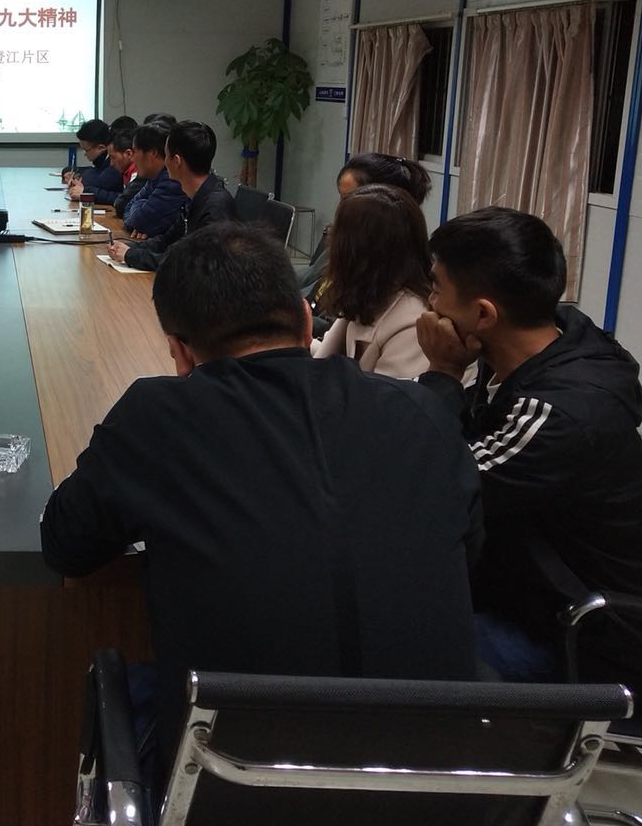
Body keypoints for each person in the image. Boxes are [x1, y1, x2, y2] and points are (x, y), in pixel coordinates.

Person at [42, 222, 481, 754]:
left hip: (231, 774)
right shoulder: (422, 413)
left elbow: (66, 544)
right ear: (305, 320)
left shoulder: (159, 417)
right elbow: (469, 552)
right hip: (444, 774)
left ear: (179, 352)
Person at [415, 207, 642, 702]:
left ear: (484, 315)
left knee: (389, 638)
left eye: (435, 289)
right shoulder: (538, 349)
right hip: (530, 589)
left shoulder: (557, 414)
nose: (429, 305)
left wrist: (442, 373)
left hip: (589, 641)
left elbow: (434, 485)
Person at [310, 183, 432, 378]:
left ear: (353, 250)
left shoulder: (412, 320)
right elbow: (323, 362)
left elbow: (383, 395)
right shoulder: (371, 293)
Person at [303, 153, 432, 335]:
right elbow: (309, 279)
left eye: (347, 200)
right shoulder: (347, 240)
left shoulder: (386, 271)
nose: (339, 209)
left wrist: (289, 316)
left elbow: (341, 327)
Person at [109, 121, 234, 271]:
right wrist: (131, 248)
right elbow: (167, 241)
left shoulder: (215, 206)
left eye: (166, 155)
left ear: (176, 161)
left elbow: (192, 265)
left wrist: (131, 255)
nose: (164, 162)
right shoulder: (194, 197)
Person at [120, 122, 188, 238]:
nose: (132, 159)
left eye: (135, 151)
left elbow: (139, 221)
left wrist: (140, 219)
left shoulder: (172, 180)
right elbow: (127, 207)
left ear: (152, 153)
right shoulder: (155, 177)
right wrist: (140, 220)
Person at [65, 119, 123, 203]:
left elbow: (98, 181)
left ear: (101, 148)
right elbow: (94, 172)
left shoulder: (114, 164)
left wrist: (84, 191)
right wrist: (75, 175)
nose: (84, 154)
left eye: (86, 150)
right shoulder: (102, 162)